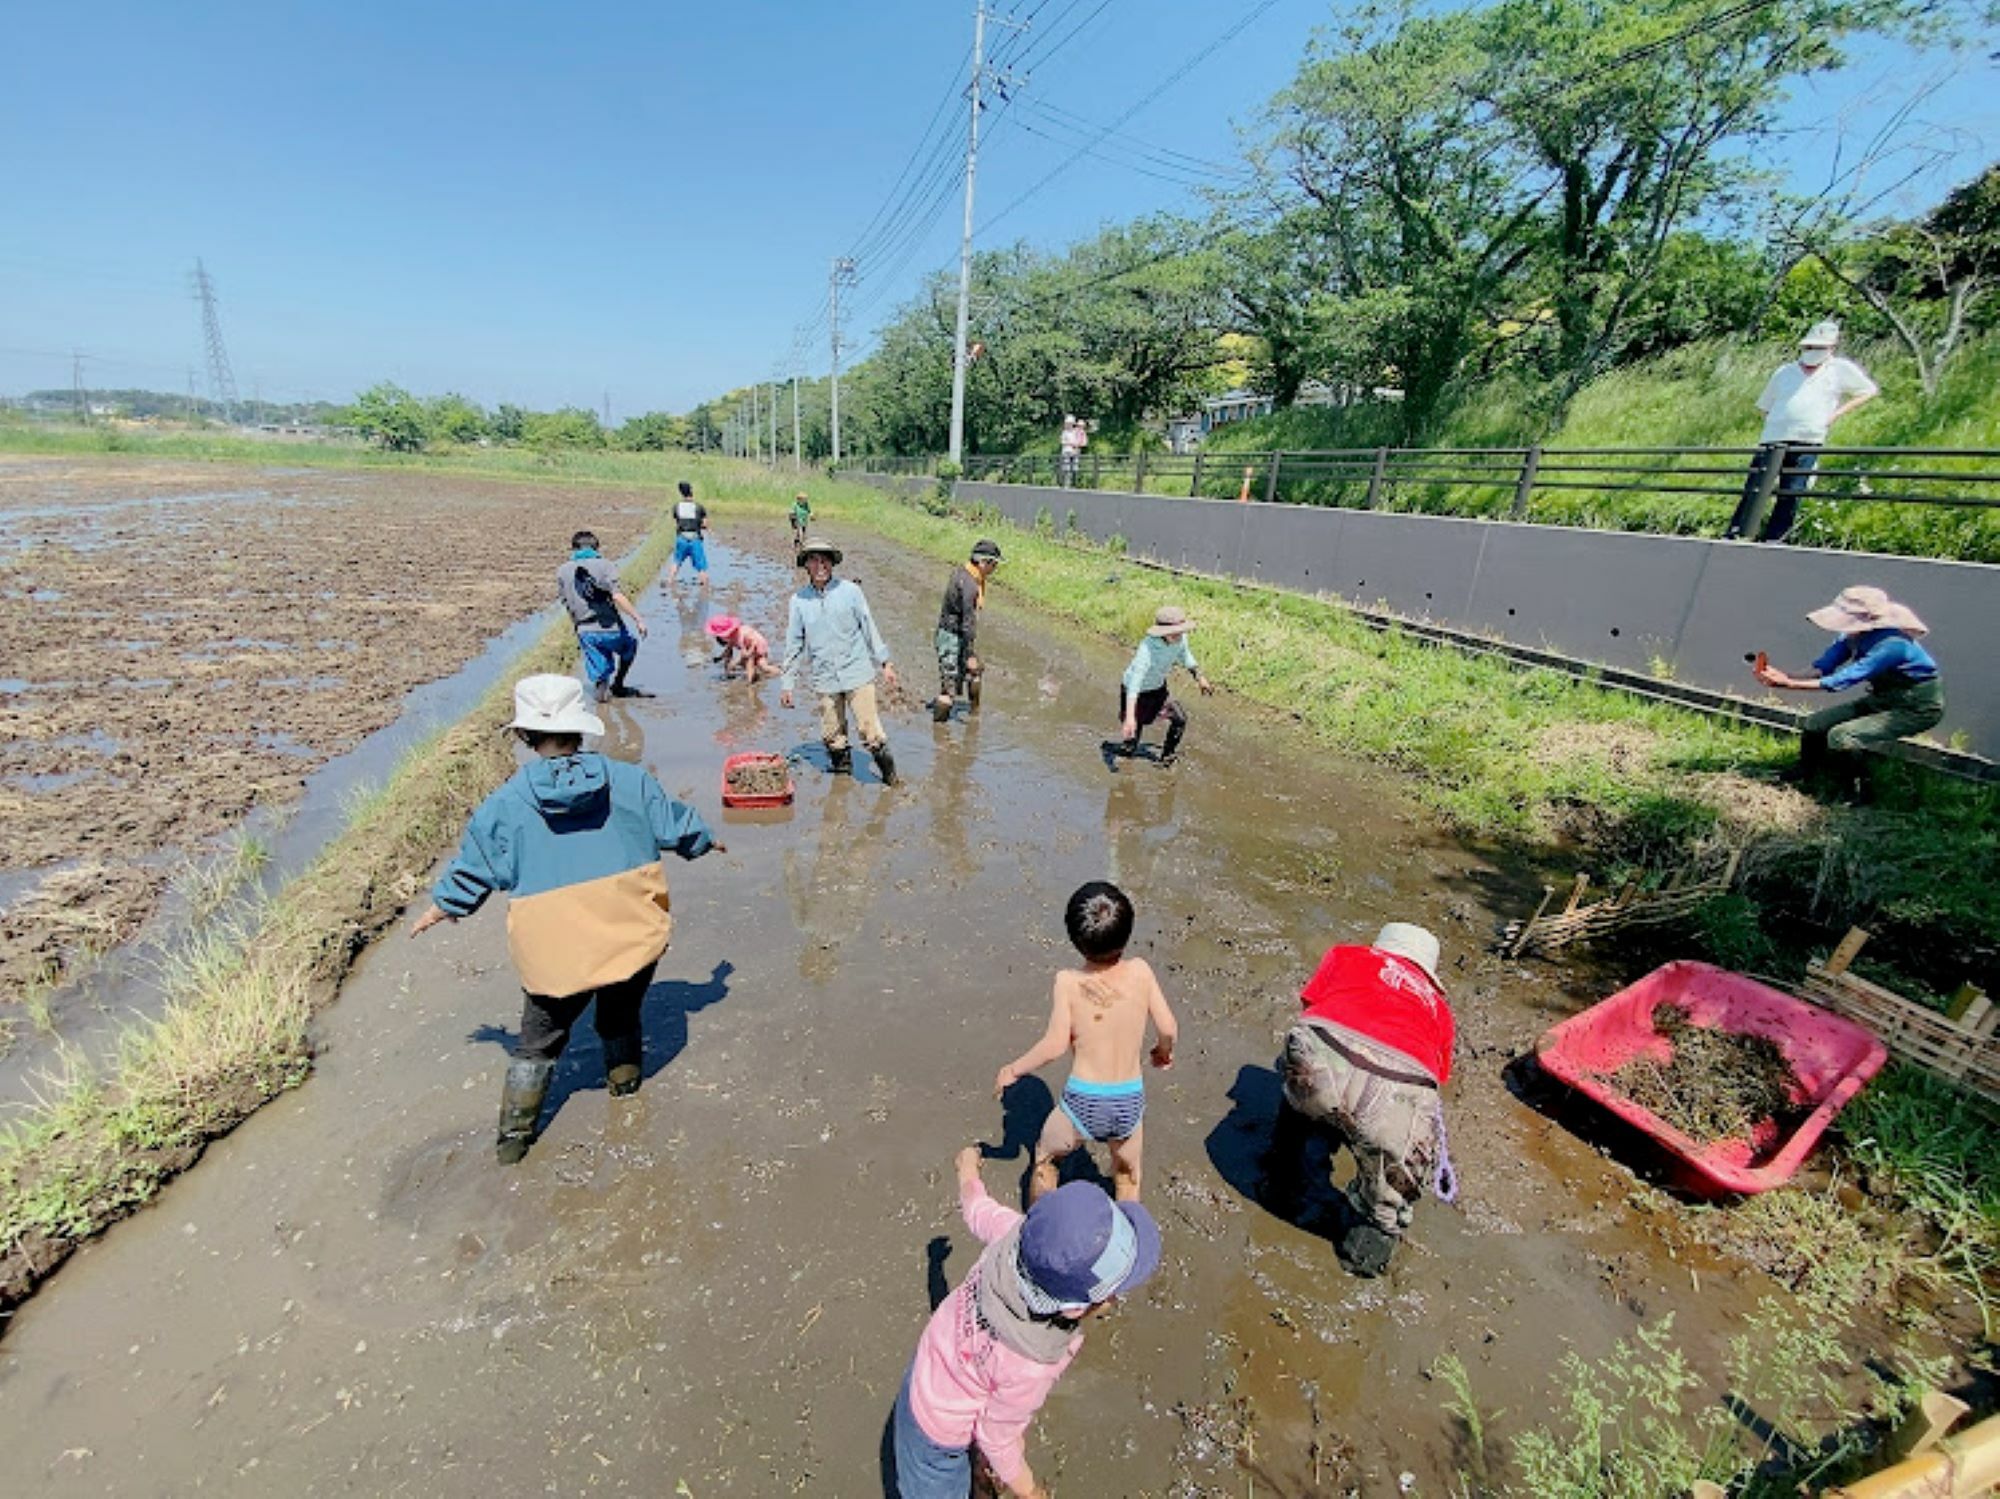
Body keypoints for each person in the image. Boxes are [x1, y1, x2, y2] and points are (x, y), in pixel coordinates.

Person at [409, 674, 723, 1164]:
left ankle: (512, 1144)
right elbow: (678, 825)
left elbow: (476, 866)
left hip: (556, 948)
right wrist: (705, 839)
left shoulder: (506, 804)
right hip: (629, 932)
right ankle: (626, 1092)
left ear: (524, 735)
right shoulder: (630, 781)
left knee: (538, 1042)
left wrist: (443, 905)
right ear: (583, 727)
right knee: (619, 1013)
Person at [890, 1146, 1161, 1499]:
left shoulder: (1015, 1237)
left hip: (929, 1366)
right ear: (1077, 1308)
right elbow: (996, 1436)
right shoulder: (1030, 1362)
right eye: (1112, 1293)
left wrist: (967, 1171)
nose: (1113, 1300)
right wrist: (1029, 1490)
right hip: (936, 1437)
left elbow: (977, 1210)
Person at [1271, 923, 1456, 1278]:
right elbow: (1438, 1076)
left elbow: (1311, 1004)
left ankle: (1283, 1160)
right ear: (1428, 974)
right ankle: (1368, 1248)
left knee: (1301, 1081)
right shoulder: (1440, 1009)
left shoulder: (1347, 954)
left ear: (1383, 948)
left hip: (1324, 1055)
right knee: (1390, 1188)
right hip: (1402, 1085)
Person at [994, 881, 1178, 1203]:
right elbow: (1168, 1026)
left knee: (1045, 1161)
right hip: (1128, 1101)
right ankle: (1130, 1242)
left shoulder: (1068, 982)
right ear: (1128, 930)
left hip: (1083, 1101)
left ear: (1074, 939)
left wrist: (1013, 1069)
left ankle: (1039, 1229)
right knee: (1127, 1176)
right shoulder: (1142, 972)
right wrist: (1163, 1051)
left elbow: (1054, 1045)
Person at [1754, 584, 1943, 785]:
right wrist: (1786, 676)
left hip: (1917, 708)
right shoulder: (1851, 637)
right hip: (1883, 699)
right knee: (1814, 724)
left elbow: (1843, 680)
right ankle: (1805, 773)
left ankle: (1858, 789)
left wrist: (1789, 684)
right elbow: (1824, 666)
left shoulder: (1893, 646)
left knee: (1843, 736)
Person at [1724, 321, 1878, 543]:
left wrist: (1835, 415)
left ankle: (1776, 538)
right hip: (1773, 439)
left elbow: (1867, 390)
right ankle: (1737, 532)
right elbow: (1764, 406)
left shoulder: (1839, 369)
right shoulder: (1785, 372)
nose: (1813, 352)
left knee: (1792, 491)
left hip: (1808, 439)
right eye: (1809, 347)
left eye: (1819, 348)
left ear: (1831, 348)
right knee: (1755, 488)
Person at [780, 536, 901, 785]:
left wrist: (885, 662)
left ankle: (891, 780)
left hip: (857, 672)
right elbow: (794, 644)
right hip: (825, 677)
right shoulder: (799, 601)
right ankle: (842, 784)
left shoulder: (851, 592)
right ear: (806, 566)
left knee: (871, 732)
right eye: (813, 560)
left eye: (824, 559)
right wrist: (787, 683)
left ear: (832, 563)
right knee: (832, 736)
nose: (820, 565)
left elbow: (869, 627)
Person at [557, 530, 649, 704]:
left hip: (585, 630)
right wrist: (638, 618)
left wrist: (576, 627)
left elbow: (567, 603)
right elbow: (616, 596)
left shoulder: (562, 571)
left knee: (600, 669)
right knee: (629, 646)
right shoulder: (606, 565)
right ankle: (619, 684)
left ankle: (602, 693)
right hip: (611, 627)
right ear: (596, 547)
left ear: (573, 548)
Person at [1117, 606, 1214, 766]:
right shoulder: (1147, 649)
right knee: (1134, 729)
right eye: (1175, 632)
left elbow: (1185, 655)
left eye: (1181, 631)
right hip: (1136, 690)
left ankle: (1167, 757)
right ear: (1162, 632)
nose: (1179, 635)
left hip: (1158, 687)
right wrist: (1129, 717)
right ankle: (1127, 753)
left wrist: (1199, 677)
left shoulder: (1180, 638)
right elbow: (1135, 682)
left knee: (1179, 719)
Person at [932, 538, 1004, 723]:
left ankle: (975, 713)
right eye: (993, 565)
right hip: (951, 637)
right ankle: (940, 734)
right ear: (983, 563)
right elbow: (968, 620)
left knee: (975, 672)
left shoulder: (962, 573)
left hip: (955, 634)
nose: (994, 570)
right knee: (948, 693)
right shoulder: (970, 586)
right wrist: (970, 652)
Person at [704, 613, 780, 696]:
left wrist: (749, 652)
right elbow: (728, 651)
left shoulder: (741, 634)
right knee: (761, 665)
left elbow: (753, 641)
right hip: (750, 647)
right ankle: (750, 674)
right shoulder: (732, 636)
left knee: (753, 662)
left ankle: (751, 681)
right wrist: (720, 658)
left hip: (758, 646)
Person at [670, 480, 711, 586]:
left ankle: (670, 582)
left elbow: (676, 521)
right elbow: (705, 525)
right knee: (701, 567)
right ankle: (704, 589)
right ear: (691, 491)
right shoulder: (699, 507)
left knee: (676, 562)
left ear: (681, 492)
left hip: (681, 538)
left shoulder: (677, 507)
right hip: (695, 539)